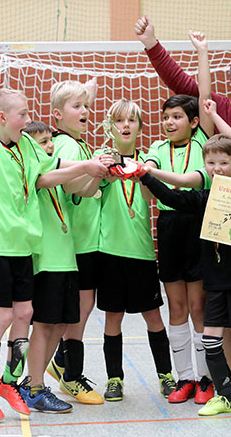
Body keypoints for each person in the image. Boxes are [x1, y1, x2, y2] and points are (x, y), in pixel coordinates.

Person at [135, 17, 231, 393]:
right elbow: (185, 86)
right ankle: (230, 381)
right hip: (215, 237)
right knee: (221, 312)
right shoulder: (214, 110)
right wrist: (159, 45)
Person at [0, 42, 111, 420]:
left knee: (25, 313)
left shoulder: (27, 145)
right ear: (1, 117)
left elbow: (48, 175)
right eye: (22, 114)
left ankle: (12, 380)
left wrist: (86, 167)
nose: (28, 119)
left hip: (23, 246)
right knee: (4, 317)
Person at [130, 134, 231, 417]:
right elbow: (171, 197)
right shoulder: (203, 198)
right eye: (211, 162)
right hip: (215, 282)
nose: (217, 168)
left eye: (224, 162)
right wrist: (146, 175)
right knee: (211, 339)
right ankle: (225, 395)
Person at [21, 121, 110, 413]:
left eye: (50, 141)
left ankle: (33, 382)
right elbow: (44, 180)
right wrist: (88, 165)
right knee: (45, 325)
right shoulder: (32, 172)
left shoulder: (60, 179)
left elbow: (84, 191)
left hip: (66, 260)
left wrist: (100, 174)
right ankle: (34, 387)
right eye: (42, 142)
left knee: (60, 324)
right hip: (45, 261)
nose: (49, 146)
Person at [95, 99, 175, 401]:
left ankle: (165, 375)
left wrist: (142, 172)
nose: (125, 126)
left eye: (131, 121)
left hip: (141, 252)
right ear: (110, 127)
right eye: (118, 121)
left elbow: (148, 195)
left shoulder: (148, 161)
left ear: (140, 127)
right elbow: (92, 193)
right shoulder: (100, 159)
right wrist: (104, 172)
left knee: (153, 317)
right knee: (112, 318)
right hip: (110, 251)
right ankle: (114, 379)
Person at [144, 94, 213, 404]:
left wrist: (147, 173)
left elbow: (188, 180)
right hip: (169, 227)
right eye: (166, 116)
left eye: (177, 117)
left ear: (194, 122)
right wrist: (143, 167)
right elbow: (148, 166)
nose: (169, 122)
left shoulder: (203, 145)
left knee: (199, 306)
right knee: (177, 307)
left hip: (198, 224)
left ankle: (205, 378)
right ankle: (184, 377)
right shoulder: (157, 149)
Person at [46, 79, 106, 405]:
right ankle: (70, 376)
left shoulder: (78, 142)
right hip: (77, 243)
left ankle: (61, 363)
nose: (85, 111)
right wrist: (97, 174)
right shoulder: (67, 146)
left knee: (84, 308)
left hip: (88, 240)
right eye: (76, 107)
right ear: (57, 115)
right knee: (79, 312)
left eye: (86, 106)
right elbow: (72, 187)